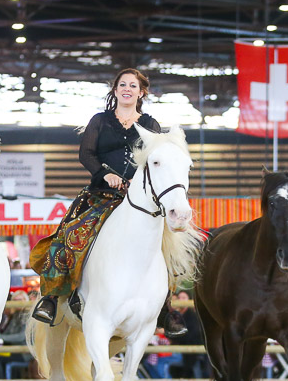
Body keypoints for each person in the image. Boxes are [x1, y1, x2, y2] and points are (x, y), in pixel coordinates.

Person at [30, 68, 185, 336]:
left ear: (141, 92)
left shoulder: (151, 125)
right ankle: (52, 298)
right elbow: (86, 154)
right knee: (69, 237)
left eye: (133, 86)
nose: (127, 89)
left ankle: (165, 309)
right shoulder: (100, 121)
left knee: (168, 248)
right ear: (115, 90)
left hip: (140, 201)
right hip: (101, 195)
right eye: (122, 85)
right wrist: (106, 174)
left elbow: (157, 161)